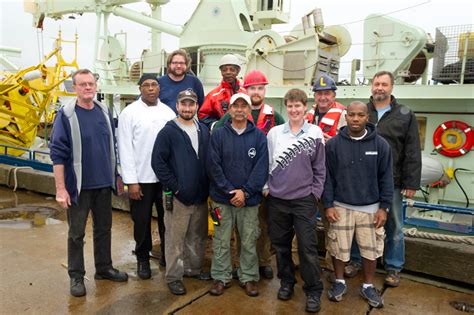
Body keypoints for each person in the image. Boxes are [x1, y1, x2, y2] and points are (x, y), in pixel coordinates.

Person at [50, 69, 128, 297]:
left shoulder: (104, 110)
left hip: (104, 184)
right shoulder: (66, 115)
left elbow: (111, 147)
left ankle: (103, 268)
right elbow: (58, 154)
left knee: (104, 229)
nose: (87, 88)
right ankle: (76, 276)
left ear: (96, 86)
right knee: (76, 234)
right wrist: (61, 189)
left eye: (91, 84)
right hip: (78, 188)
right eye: (82, 84)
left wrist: (117, 175)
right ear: (74, 88)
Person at [350, 71, 421, 287]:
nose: (379, 87)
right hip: (363, 179)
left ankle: (393, 266)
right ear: (371, 86)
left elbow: (412, 150)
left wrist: (411, 182)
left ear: (391, 87)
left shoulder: (405, 115)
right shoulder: (362, 111)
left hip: (393, 180)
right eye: (376, 83)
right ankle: (354, 261)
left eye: (384, 84)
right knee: (358, 222)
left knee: (395, 224)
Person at [215, 70, 285, 280]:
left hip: (261, 184)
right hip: (231, 189)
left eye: (260, 88)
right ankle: (228, 270)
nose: (256, 91)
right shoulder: (226, 124)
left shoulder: (275, 115)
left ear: (264, 90)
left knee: (258, 228)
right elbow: (215, 151)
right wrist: (230, 189)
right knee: (227, 234)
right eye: (252, 88)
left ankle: (261, 262)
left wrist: (255, 188)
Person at [323, 101, 393, 308]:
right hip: (340, 206)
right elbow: (328, 177)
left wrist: (384, 207)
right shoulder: (333, 144)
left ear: (367, 117)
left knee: (370, 250)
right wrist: (328, 204)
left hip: (370, 208)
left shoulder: (380, 145)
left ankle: (368, 285)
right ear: (346, 117)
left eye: (360, 115)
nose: (355, 119)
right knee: (339, 248)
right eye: (351, 115)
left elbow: (386, 178)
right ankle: (339, 281)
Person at [266, 89, 326, 313]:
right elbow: (268, 163)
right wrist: (266, 188)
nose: (293, 110)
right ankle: (287, 282)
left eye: (297, 106)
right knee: (280, 247)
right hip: (278, 200)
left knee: (307, 248)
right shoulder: (274, 133)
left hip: (303, 200)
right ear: (286, 107)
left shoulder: (315, 133)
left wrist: (315, 194)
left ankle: (313, 290)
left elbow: (320, 168)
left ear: (305, 107)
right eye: (290, 106)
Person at [207, 93, 269, 297]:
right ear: (230, 110)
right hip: (221, 199)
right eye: (236, 106)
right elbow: (213, 166)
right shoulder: (218, 134)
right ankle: (220, 277)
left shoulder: (259, 137)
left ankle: (248, 277)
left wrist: (246, 192)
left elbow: (261, 168)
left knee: (249, 240)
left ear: (249, 110)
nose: (240, 109)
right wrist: (229, 191)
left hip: (249, 201)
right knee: (221, 240)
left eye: (244, 106)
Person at [151, 89, 211, 295]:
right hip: (177, 198)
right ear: (177, 106)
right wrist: (175, 187)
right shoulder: (168, 132)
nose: (187, 108)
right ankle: (174, 276)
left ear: (196, 106)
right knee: (175, 240)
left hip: (200, 196)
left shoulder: (203, 130)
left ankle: (192, 269)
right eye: (183, 104)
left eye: (191, 104)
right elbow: (158, 163)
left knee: (197, 236)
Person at [117, 74, 176, 277]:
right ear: (140, 89)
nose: (151, 88)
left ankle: (167, 257)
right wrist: (131, 182)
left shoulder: (168, 112)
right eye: (146, 85)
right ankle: (143, 259)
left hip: (165, 179)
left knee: (166, 221)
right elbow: (124, 148)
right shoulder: (129, 113)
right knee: (141, 222)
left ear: (159, 88)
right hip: (141, 180)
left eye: (154, 85)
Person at [198, 54, 246, 128]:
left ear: (238, 71)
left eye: (232, 69)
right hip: (222, 135)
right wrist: (215, 125)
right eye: (224, 70)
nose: (228, 72)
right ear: (221, 72)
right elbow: (203, 115)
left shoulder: (245, 93)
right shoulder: (213, 96)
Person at [306, 73, 346, 142]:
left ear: (334, 96)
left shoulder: (343, 115)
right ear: (314, 96)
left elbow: (350, 142)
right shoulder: (309, 115)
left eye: (327, 93)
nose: (323, 98)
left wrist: (334, 143)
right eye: (319, 93)